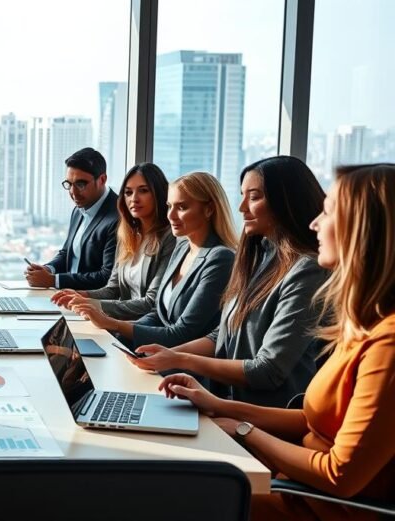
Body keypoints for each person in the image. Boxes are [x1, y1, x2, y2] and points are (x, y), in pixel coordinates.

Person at [160, 164, 395, 520]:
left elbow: (339, 474)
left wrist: (244, 430)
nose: (315, 223)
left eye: (328, 212)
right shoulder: (363, 327)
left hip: (317, 506)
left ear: (364, 229)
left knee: (163, 494)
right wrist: (217, 406)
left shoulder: (387, 345)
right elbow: (315, 422)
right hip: (295, 484)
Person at [127, 157, 328, 408]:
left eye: (254, 198)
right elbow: (222, 334)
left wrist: (183, 360)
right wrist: (172, 356)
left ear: (286, 201)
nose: (242, 207)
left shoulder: (306, 270)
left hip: (263, 417)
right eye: (242, 196)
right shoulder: (257, 258)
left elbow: (268, 369)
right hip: (223, 401)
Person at [72, 171, 237, 350]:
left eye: (181, 207)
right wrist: (119, 338)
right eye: (169, 206)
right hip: (153, 351)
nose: (171, 216)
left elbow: (182, 333)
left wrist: (113, 324)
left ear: (209, 209)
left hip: (181, 365)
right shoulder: (182, 247)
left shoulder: (220, 258)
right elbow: (157, 314)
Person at [51, 162, 177, 320]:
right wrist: (77, 295)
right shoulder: (128, 235)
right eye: (128, 192)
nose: (134, 199)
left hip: (141, 328)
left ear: (159, 194)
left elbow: (151, 302)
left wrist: (92, 304)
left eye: (143, 191)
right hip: (118, 321)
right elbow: (112, 289)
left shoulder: (169, 238)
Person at [25, 147, 119, 290]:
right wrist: (48, 270)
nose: (73, 192)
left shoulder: (118, 217)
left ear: (102, 180)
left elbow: (107, 277)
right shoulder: (79, 210)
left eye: (80, 184)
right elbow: (67, 253)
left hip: (91, 303)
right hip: (68, 297)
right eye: (69, 184)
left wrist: (53, 281)